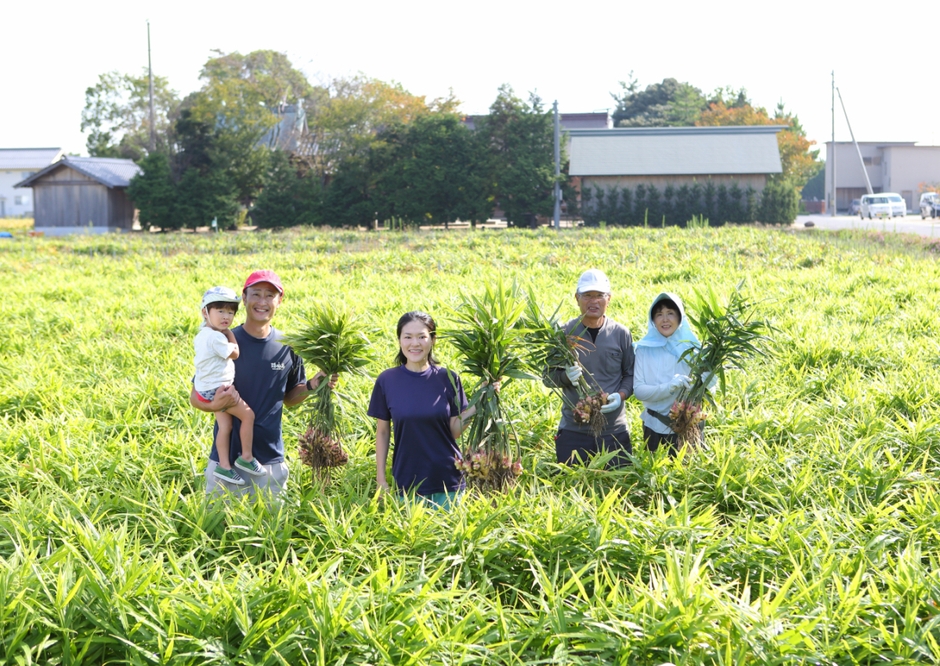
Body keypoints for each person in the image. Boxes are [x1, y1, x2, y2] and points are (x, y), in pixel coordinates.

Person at [190, 270, 334, 498]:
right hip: (224, 464)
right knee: (217, 532)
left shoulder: (288, 347)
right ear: (244, 298)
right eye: (256, 294)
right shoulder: (222, 340)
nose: (262, 302)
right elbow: (195, 396)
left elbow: (290, 399)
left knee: (272, 531)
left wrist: (311, 386)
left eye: (270, 295)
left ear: (280, 300)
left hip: (269, 463)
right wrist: (212, 405)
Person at [367, 311, 476, 508]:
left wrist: (480, 403)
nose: (414, 343)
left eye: (422, 337)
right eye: (407, 337)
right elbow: (382, 432)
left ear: (433, 339)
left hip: (448, 480)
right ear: (399, 340)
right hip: (407, 481)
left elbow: (453, 431)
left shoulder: (448, 378)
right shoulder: (387, 381)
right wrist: (381, 479)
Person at [547, 269, 635, 466]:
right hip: (574, 430)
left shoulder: (621, 333)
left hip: (614, 431)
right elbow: (548, 376)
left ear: (609, 298)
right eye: (587, 295)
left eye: (599, 295)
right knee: (572, 489)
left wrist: (620, 395)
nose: (593, 301)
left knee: (619, 489)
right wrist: (565, 377)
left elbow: (630, 374)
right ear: (577, 298)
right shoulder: (563, 334)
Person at [193, 286, 264, 485]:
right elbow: (235, 354)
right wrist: (229, 333)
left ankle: (224, 466)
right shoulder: (216, 337)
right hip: (220, 390)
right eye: (220, 311)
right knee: (248, 415)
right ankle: (247, 458)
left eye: (231, 312)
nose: (226, 317)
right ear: (205, 312)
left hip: (205, 390)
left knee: (225, 426)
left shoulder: (201, 335)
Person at [634, 292, 701, 456]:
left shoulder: (694, 348)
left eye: (670, 313)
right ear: (652, 320)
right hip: (654, 426)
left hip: (688, 425)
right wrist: (669, 387)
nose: (665, 319)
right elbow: (639, 391)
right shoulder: (644, 349)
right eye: (659, 314)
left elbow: (710, 387)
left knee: (688, 476)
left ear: (680, 317)